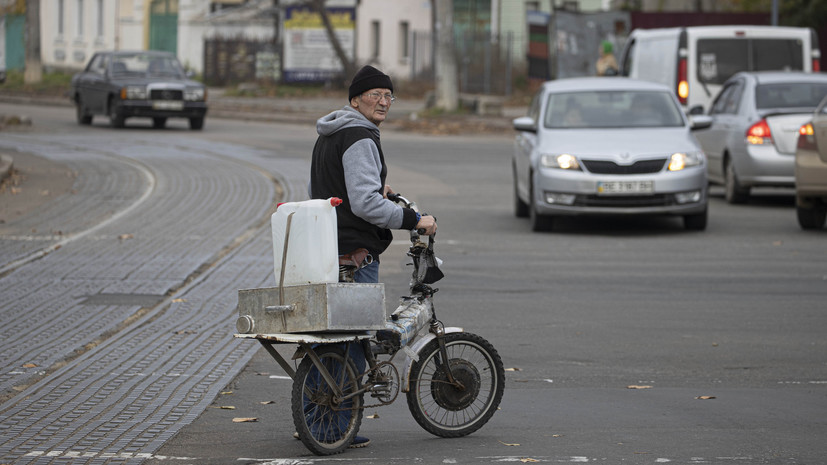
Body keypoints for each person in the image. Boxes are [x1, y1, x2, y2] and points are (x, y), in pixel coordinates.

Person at [305, 64, 437, 449]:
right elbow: (364, 204)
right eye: (374, 94)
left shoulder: (329, 134)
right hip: (355, 255)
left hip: (327, 250)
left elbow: (321, 186)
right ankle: (333, 429)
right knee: (352, 344)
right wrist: (414, 219)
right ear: (354, 99)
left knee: (326, 342)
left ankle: (314, 423)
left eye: (388, 95)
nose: (383, 101)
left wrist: (378, 186)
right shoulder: (360, 136)